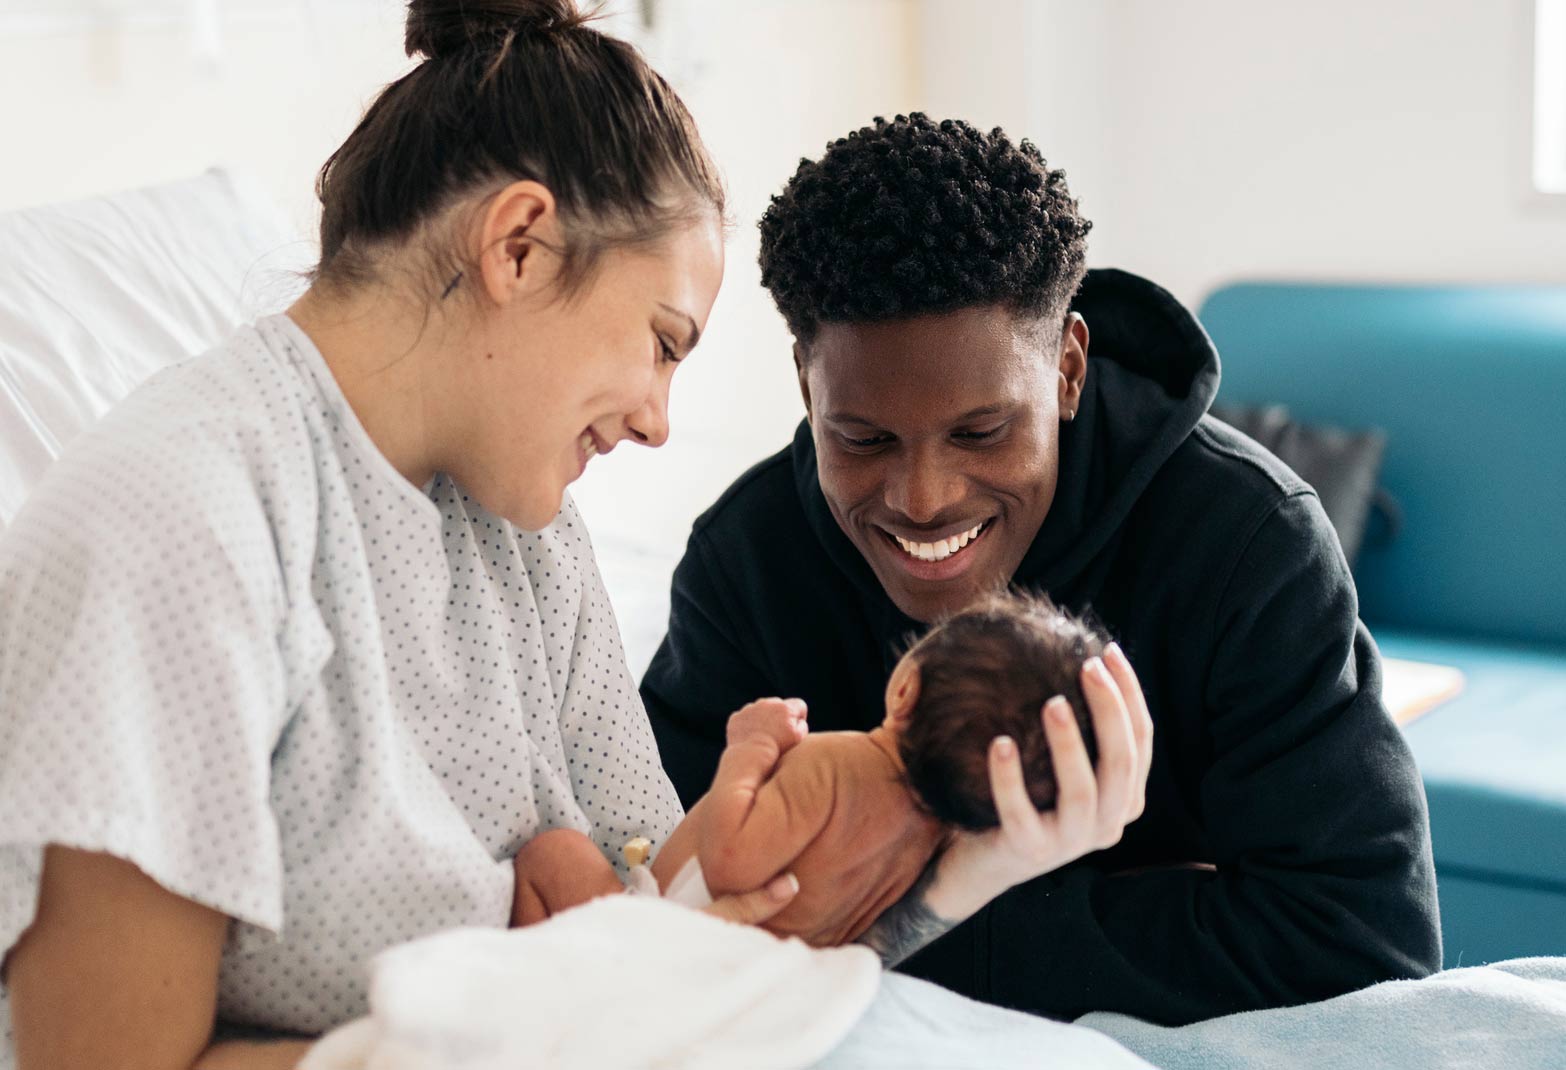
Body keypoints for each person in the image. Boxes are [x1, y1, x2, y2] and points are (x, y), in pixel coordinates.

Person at [0, 8, 1151, 1069]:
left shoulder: (526, 535)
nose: (656, 419)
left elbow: (668, 931)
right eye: (660, 341)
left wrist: (955, 868)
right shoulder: (183, 525)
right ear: (518, 247)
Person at [642, 113, 1443, 1025]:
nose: (922, 497)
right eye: (862, 438)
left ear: (1067, 368)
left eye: (982, 432)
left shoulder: (1249, 545)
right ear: (805, 386)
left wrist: (926, 909)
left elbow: (1368, 947)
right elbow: (671, 905)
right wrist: (1157, 899)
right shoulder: (748, 560)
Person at [512, 591, 1109, 947]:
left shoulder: (835, 766)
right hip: (759, 975)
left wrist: (747, 750)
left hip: (674, 932)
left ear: (905, 689)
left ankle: (539, 982)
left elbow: (730, 862)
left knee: (556, 853)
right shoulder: (926, 838)